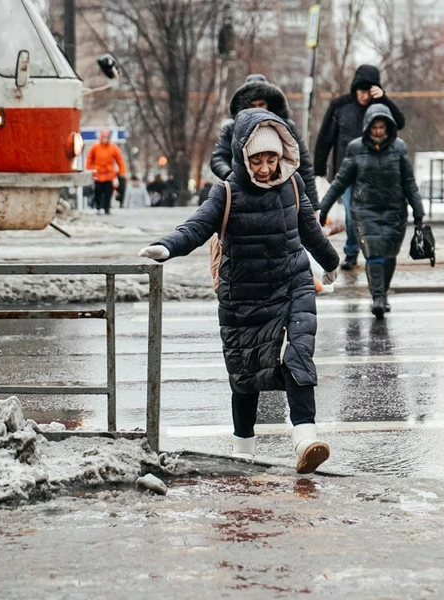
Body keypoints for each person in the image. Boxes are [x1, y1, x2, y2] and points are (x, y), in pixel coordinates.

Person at [138, 109, 340, 474]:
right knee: (245, 377)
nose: (265, 169)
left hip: (291, 285)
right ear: (243, 158)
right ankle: (242, 450)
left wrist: (331, 261)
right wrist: (166, 247)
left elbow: (311, 231)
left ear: (283, 156)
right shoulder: (227, 191)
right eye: (257, 160)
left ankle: (305, 438)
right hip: (243, 297)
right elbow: (196, 227)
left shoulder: (292, 186)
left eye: (272, 159)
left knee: (297, 355)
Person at [318, 104, 424, 319]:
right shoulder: (356, 148)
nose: (378, 131)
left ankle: (382, 292)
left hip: (395, 211)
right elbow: (340, 181)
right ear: (367, 127)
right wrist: (324, 207)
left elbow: (409, 182)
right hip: (365, 211)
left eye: (381, 127)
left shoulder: (399, 148)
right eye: (374, 127)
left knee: (389, 255)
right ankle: (378, 297)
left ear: (388, 127)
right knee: (374, 253)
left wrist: (419, 212)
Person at [314, 65, 406, 271]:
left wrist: (383, 98)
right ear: (355, 88)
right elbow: (325, 137)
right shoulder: (340, 106)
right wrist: (319, 168)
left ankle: (374, 253)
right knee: (351, 213)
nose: (364, 96)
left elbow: (399, 123)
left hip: (376, 173)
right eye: (361, 91)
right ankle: (351, 252)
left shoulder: (380, 108)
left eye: (369, 91)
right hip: (346, 171)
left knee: (373, 216)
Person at [211, 74, 320, 208]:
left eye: (261, 104)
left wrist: (314, 206)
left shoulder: (284, 128)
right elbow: (218, 158)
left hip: (278, 192)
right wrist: (233, 176)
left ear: (269, 103)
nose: (257, 108)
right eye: (253, 105)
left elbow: (302, 165)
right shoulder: (232, 128)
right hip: (242, 193)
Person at [85, 129, 126, 214]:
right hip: (98, 175)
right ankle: (98, 207)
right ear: (101, 137)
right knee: (98, 192)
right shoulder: (95, 147)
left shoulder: (113, 148)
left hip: (109, 175)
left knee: (108, 193)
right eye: (104, 137)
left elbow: (120, 160)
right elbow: (90, 159)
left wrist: (122, 172)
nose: (105, 139)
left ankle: (107, 208)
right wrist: (88, 170)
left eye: (107, 137)